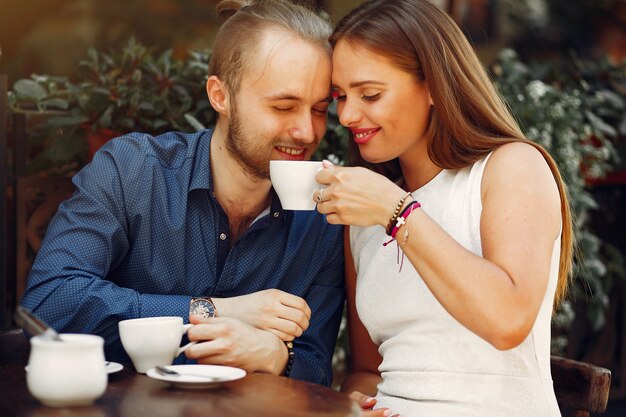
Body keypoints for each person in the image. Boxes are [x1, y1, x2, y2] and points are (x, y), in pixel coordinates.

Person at [20, 0, 344, 387]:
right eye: (283, 106)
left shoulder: (323, 216)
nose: (307, 132)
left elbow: (317, 367)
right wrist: (213, 311)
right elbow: (48, 303)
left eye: (320, 109)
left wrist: (278, 356)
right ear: (220, 96)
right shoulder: (132, 171)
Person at [314, 0, 573, 415]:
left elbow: (507, 320)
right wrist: (353, 402)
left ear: (434, 85)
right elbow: (368, 369)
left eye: (370, 94)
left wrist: (397, 213)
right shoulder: (366, 214)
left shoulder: (510, 168)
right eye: (340, 96)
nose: (346, 115)